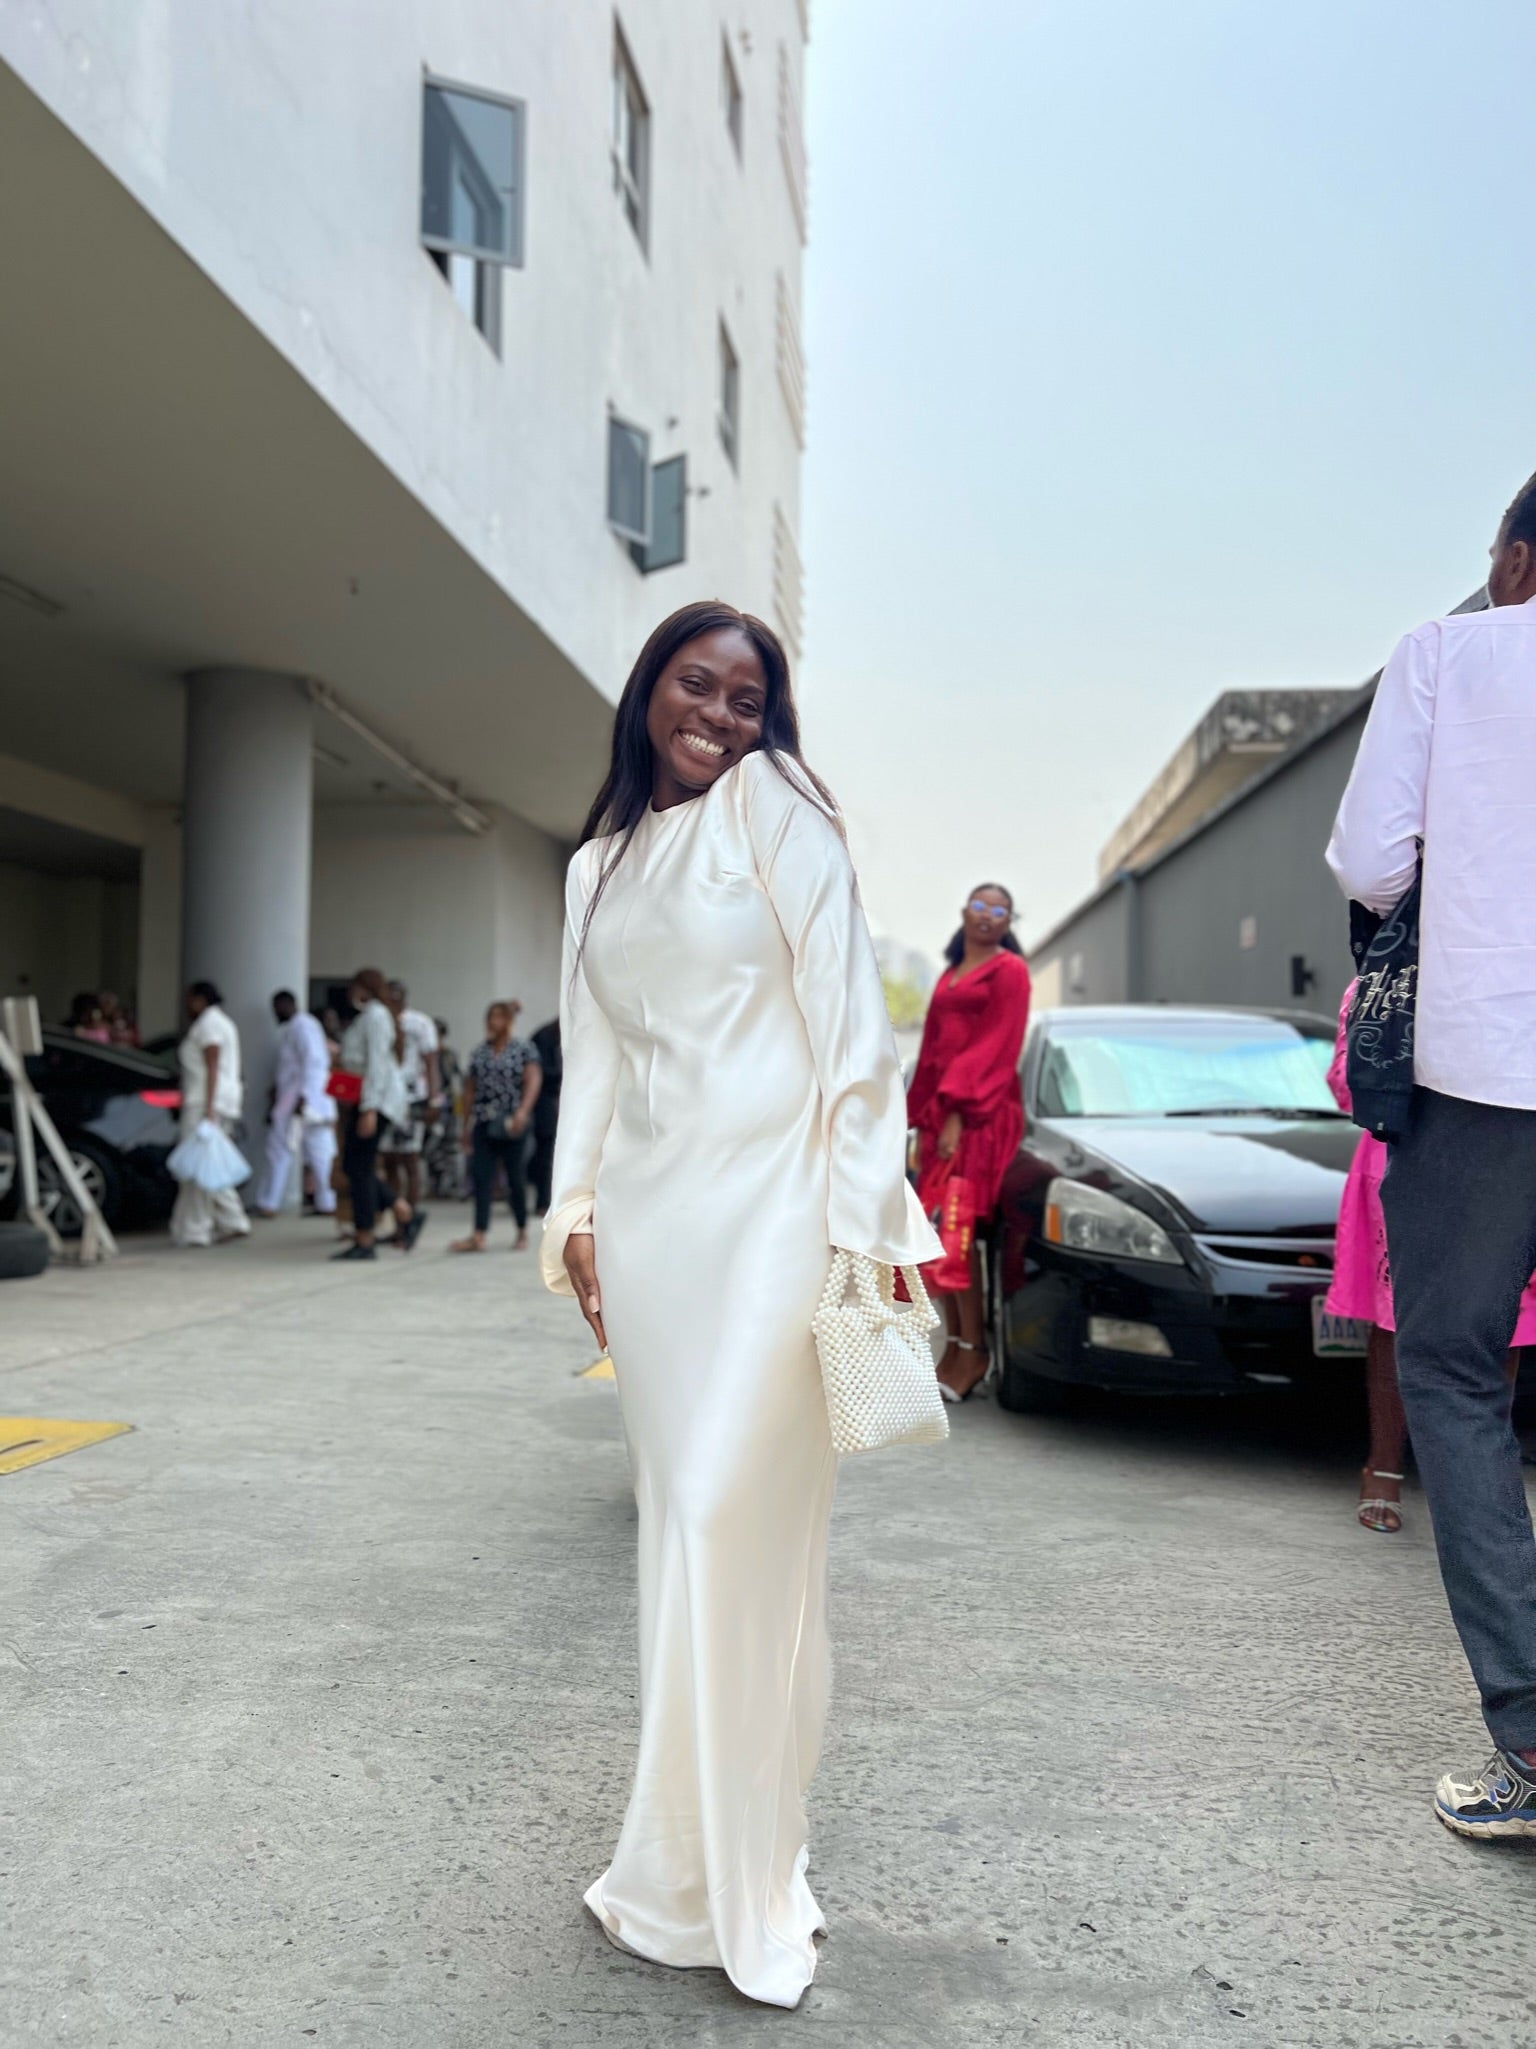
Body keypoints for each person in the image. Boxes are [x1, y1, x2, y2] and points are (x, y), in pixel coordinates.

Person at [541, 600, 938, 2007]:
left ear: (772, 721)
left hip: (777, 1216)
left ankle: (746, 1869)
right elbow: (590, 1061)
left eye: (746, 696)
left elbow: (852, 1033)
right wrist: (575, 1217)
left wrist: (858, 1229)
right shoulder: (595, 867)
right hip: (654, 1238)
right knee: (680, 1536)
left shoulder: (775, 807)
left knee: (729, 1517)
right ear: (649, 690)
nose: (717, 713)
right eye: (693, 685)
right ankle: (673, 1869)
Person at [1327, 470, 1536, 1839]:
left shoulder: (1451, 655)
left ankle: (1529, 1740)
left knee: (1456, 1378)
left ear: (1516, 557)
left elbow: (1370, 862)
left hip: (1486, 1070)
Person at [906, 885, 1031, 1401]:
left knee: (960, 1234)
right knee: (941, 1236)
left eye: (998, 910)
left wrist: (957, 1112)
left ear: (1008, 922)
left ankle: (974, 1351)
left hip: (980, 1115)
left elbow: (994, 1045)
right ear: (964, 913)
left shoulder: (1010, 972)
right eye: (979, 906)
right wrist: (918, 1117)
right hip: (943, 1119)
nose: (987, 916)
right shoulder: (950, 973)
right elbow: (934, 1047)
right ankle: (953, 1348)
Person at [333, 968, 423, 1262]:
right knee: (356, 1165)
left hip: (377, 1101)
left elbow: (376, 1066)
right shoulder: (373, 1015)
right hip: (371, 1099)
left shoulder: (375, 1016)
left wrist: (369, 1109)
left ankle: (366, 1237)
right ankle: (401, 1210)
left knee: (358, 1167)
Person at [451, 1002, 542, 1252]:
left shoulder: (523, 1049)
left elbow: (533, 1080)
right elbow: (470, 1089)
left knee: (515, 1178)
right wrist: (465, 1124)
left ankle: (522, 1229)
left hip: (512, 1122)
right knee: (481, 1177)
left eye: (499, 1017)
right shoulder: (480, 1052)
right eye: (490, 1017)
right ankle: (479, 1232)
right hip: (484, 1121)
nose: (494, 1023)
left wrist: (523, 1112)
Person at [169, 980, 250, 1249]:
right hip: (215, 1101)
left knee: (196, 1168)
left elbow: (212, 1066)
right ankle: (232, 1218)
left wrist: (208, 1109)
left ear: (200, 999)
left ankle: (197, 1228)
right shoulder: (220, 1022)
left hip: (204, 1102)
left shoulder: (209, 1025)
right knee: (210, 1163)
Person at [252, 991, 338, 1220]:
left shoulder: (302, 1026)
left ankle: (269, 1202)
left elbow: (314, 1063)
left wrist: (305, 1097)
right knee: (319, 1152)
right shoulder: (300, 1027)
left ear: (285, 1005)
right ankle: (326, 1201)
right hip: (307, 1101)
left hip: (301, 1101)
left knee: (281, 1150)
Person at [380, 980, 440, 1215]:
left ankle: (410, 1218)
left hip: (413, 1097)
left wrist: (434, 1100)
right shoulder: (381, 1021)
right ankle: (398, 1216)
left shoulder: (419, 1022)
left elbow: (431, 1061)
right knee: (389, 1160)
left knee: (410, 1159)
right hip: (387, 1097)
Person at [528, 1017, 561, 1215]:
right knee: (545, 1153)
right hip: (546, 1105)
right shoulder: (545, 1037)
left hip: (554, 1102)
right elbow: (541, 1072)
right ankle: (543, 1200)